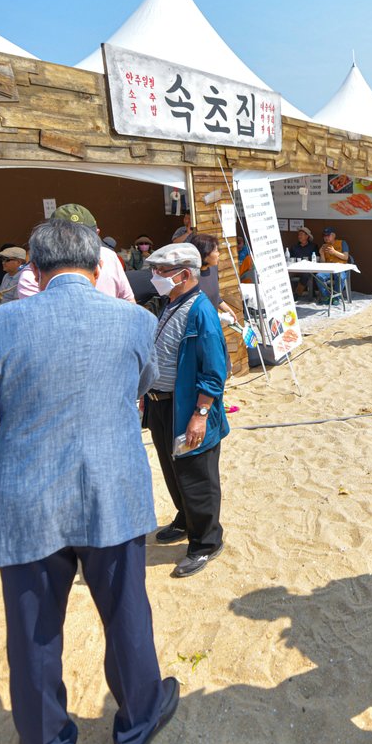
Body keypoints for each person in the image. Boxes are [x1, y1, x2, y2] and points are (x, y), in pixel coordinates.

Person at [0, 219, 178, 744]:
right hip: (112, 490)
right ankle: (137, 722)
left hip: (25, 497)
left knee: (32, 630)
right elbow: (142, 384)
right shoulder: (135, 320)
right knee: (127, 615)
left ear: (34, 269)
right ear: (99, 267)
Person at [142, 242, 230, 578]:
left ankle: (206, 541)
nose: (156, 276)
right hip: (162, 406)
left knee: (197, 476)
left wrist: (201, 414)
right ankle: (185, 518)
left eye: (162, 271)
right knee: (173, 469)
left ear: (184, 274)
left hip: (188, 410)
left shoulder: (200, 310)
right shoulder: (172, 303)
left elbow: (213, 370)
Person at [15, 203, 136, 302]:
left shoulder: (109, 256)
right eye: (66, 236)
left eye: (84, 235)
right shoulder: (31, 275)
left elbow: (128, 300)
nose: (76, 241)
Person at [190, 233, 239, 324]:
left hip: (213, 325)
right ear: (204, 254)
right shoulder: (190, 278)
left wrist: (227, 309)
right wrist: (219, 316)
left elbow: (214, 296)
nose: (218, 254)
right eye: (215, 251)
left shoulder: (213, 268)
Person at [316, 226, 352, 302]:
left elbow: (346, 257)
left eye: (328, 235)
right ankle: (327, 296)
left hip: (340, 268)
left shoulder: (342, 243)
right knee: (318, 276)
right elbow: (322, 264)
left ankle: (336, 298)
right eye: (324, 236)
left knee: (341, 277)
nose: (326, 238)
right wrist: (321, 254)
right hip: (328, 269)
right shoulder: (324, 246)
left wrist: (334, 252)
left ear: (333, 235)